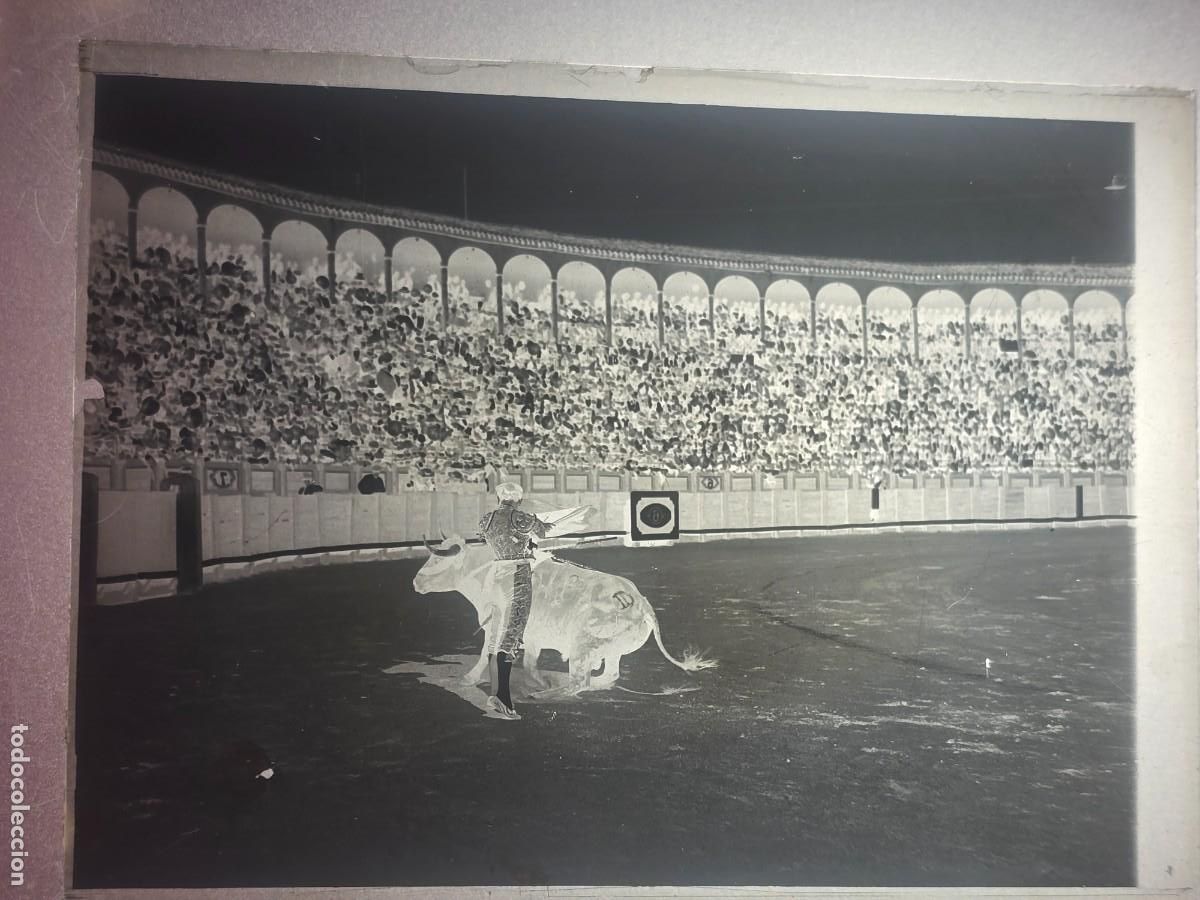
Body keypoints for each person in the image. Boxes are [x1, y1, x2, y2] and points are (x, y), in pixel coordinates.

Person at [478, 482, 548, 720]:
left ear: (498, 497)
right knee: (512, 633)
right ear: (519, 499)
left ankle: (494, 692)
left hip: (497, 575)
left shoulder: (485, 519)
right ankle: (503, 699)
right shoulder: (521, 517)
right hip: (517, 576)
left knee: (496, 634)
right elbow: (543, 531)